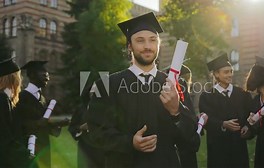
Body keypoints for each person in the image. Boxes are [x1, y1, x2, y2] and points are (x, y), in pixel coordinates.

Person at [87, 12, 199, 168]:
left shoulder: (175, 85)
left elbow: (193, 140)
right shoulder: (107, 85)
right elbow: (96, 133)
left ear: (158, 45)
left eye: (153, 40)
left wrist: (176, 112)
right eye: (140, 41)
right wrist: (129, 142)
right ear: (129, 46)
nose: (147, 46)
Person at [198, 53, 251, 167]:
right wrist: (222, 124)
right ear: (216, 74)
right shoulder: (207, 96)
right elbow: (206, 120)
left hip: (238, 147)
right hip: (218, 147)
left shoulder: (242, 94)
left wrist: (247, 126)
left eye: (231, 71)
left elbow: (249, 115)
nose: (230, 75)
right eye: (226, 72)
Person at [15, 60, 70, 168]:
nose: (48, 78)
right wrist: (37, 123)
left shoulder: (42, 98)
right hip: (29, 146)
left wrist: (58, 123)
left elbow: (44, 123)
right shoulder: (21, 97)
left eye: (48, 75)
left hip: (43, 145)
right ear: (32, 75)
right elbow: (18, 123)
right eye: (44, 75)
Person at [0, 53, 30, 167]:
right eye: (19, 76)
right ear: (13, 78)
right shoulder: (2, 99)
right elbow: (4, 135)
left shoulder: (6, 99)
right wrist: (23, 153)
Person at [68, 83, 105, 168]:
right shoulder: (80, 110)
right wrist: (81, 128)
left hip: (103, 149)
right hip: (85, 149)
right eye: (93, 93)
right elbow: (72, 128)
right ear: (89, 94)